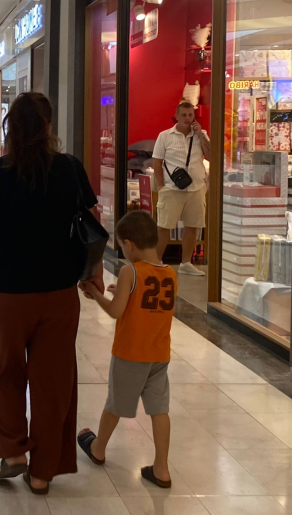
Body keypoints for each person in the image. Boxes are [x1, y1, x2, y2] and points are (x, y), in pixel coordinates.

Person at [0, 92, 102, 495]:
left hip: (7, 294)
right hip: (59, 292)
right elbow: (93, 224)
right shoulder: (70, 168)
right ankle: (43, 471)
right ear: (48, 126)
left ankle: (13, 452)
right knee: (53, 382)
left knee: (4, 373)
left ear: (10, 127)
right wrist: (93, 272)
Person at [76, 210, 176, 490]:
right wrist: (120, 292)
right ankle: (162, 468)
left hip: (131, 354)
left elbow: (115, 311)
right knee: (159, 410)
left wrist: (97, 294)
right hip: (159, 355)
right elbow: (148, 304)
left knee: (115, 404)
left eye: (122, 246)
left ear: (129, 245)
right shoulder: (170, 273)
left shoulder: (130, 271)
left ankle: (97, 448)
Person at [152, 101, 211, 275]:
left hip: (196, 187)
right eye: (184, 115)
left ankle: (186, 263)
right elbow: (157, 162)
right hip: (171, 189)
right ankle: (156, 262)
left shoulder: (201, 135)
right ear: (177, 116)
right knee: (164, 226)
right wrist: (161, 185)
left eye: (190, 115)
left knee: (193, 226)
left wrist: (201, 136)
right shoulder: (165, 136)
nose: (187, 118)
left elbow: (211, 154)